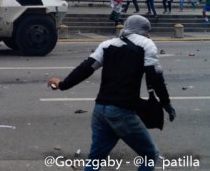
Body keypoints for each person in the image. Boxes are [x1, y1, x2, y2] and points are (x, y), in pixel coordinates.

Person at [47, 15, 175, 171]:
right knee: (150, 155)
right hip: (122, 112)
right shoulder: (146, 45)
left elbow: (86, 68)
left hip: (100, 110)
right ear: (144, 31)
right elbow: (155, 77)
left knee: (95, 160)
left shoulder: (107, 44)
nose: (149, 35)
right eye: (147, 31)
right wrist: (166, 103)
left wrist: (63, 85)